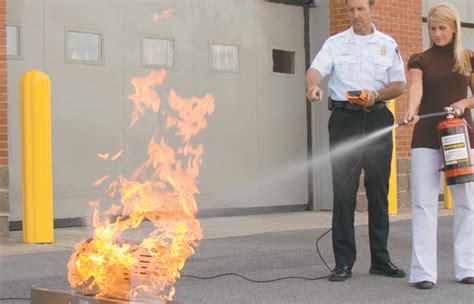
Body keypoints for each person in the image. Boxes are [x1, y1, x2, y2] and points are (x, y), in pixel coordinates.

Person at [305, 0, 406, 281]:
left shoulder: (387, 44)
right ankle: (343, 263)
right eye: (351, 10)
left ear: (373, 10)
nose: (355, 15)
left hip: (376, 119)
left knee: (378, 191)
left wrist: (378, 95)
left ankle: (380, 260)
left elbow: (399, 84)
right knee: (344, 192)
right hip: (344, 121)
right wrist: (312, 85)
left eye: (361, 9)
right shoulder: (335, 43)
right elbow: (315, 71)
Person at [404, 2, 474, 290]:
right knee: (423, 204)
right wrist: (410, 108)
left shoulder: (468, 58)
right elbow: (416, 87)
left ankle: (467, 267)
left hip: (460, 136)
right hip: (426, 138)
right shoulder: (419, 59)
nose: (437, 33)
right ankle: (423, 272)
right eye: (432, 28)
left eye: (442, 28)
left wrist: (464, 103)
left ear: (455, 28)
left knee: (466, 203)